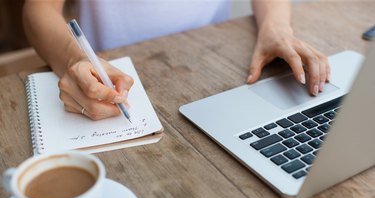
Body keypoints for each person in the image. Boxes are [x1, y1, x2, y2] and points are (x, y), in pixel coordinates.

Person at [23, 0, 329, 121]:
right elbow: (37, 10)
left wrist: (276, 27)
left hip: (221, 68)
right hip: (112, 72)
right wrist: (73, 57)